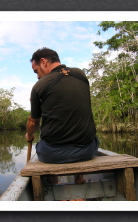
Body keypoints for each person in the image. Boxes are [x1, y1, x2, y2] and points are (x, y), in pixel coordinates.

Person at [25, 47, 99, 184]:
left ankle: (54, 182)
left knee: (40, 145)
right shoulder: (81, 75)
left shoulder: (39, 86)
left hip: (53, 155)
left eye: (36, 71)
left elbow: (33, 122)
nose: (37, 76)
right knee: (93, 138)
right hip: (87, 151)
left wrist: (29, 135)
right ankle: (79, 177)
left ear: (43, 62)